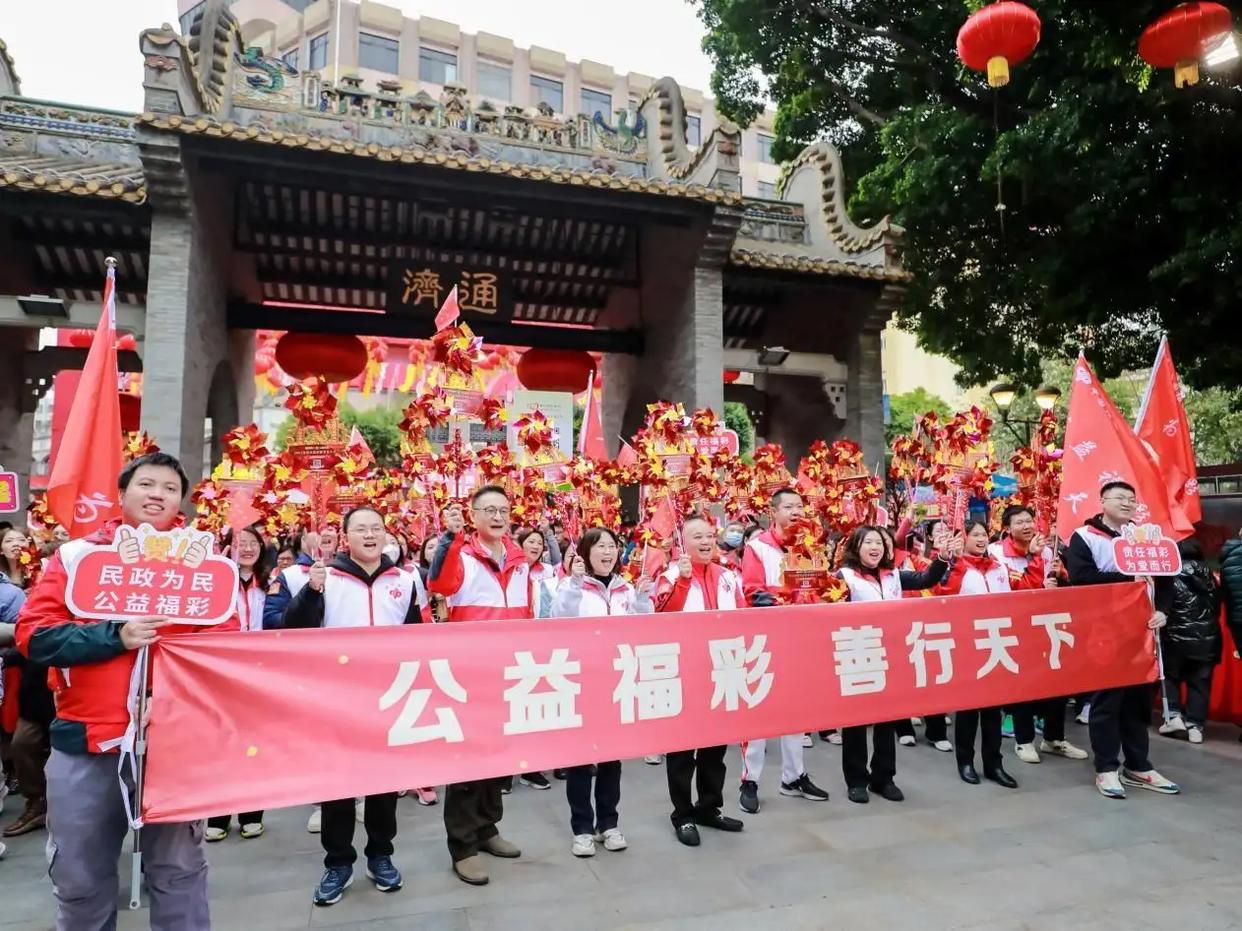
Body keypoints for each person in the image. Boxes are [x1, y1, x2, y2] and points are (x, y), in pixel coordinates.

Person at [16, 452, 213, 929]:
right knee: (79, 874)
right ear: (122, 493)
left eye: (170, 488)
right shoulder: (77, 557)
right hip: (86, 742)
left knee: (180, 873)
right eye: (147, 484)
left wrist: (171, 700)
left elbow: (221, 651)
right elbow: (34, 635)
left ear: (181, 501)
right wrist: (114, 636)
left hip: (171, 746)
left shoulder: (205, 566)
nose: (157, 495)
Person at [284, 506, 427, 907]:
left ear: (385, 535)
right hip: (339, 700)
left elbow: (416, 636)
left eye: (376, 528)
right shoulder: (326, 578)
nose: (370, 535)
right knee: (339, 786)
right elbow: (293, 629)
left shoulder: (403, 580)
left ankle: (381, 856)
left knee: (384, 784)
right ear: (346, 537)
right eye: (361, 529)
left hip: (390, 696)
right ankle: (338, 862)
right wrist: (310, 592)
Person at [428, 486, 529, 886]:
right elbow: (440, 584)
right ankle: (463, 845)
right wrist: (449, 539)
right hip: (470, 673)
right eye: (489, 510)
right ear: (473, 515)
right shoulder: (464, 556)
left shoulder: (519, 560)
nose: (498, 516)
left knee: (497, 756)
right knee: (468, 760)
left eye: (503, 509)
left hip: (510, 672)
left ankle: (487, 827)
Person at [1064, 481, 1180, 799]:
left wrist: (1163, 610)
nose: (1127, 503)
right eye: (1120, 498)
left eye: (1132, 499)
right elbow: (1081, 578)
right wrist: (1128, 576)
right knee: (1107, 700)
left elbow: (1167, 578)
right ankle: (1106, 767)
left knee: (1138, 702)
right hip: (1105, 632)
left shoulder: (1147, 537)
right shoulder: (1085, 537)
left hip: (1144, 632)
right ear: (1102, 501)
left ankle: (1138, 765)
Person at [551, 527, 653, 857]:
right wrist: (575, 584)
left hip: (617, 682)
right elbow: (558, 621)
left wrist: (642, 600)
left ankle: (608, 823)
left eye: (612, 546)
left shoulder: (626, 588)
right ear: (585, 553)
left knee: (612, 758)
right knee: (581, 760)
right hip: (581, 682)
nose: (607, 552)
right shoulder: (571, 586)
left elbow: (643, 629)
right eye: (600, 547)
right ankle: (582, 828)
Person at [837, 524, 951, 804]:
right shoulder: (844, 577)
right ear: (856, 547)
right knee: (855, 722)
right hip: (857, 654)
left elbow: (926, 579)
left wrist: (942, 558)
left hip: (890, 655)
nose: (875, 547)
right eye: (868, 542)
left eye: (879, 542)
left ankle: (884, 778)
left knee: (887, 719)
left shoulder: (894, 576)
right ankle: (856, 780)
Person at [738, 488, 831, 812]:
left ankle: (793, 777)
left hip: (801, 641)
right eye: (789, 506)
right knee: (760, 711)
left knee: (797, 709)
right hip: (765, 641)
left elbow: (821, 588)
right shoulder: (757, 548)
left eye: (800, 506)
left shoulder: (810, 547)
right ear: (773, 512)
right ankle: (750, 780)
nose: (795, 512)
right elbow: (752, 592)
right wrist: (784, 600)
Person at [656, 515, 745, 847]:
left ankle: (709, 807)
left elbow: (744, 616)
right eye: (697, 536)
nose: (706, 541)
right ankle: (682, 815)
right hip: (684, 673)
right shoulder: (669, 576)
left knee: (715, 748)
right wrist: (682, 580)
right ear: (683, 542)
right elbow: (661, 616)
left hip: (721, 671)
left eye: (709, 535)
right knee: (682, 751)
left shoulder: (727, 577)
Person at [990, 505, 1088, 765]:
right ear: (1007, 528)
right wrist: (1034, 561)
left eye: (1029, 521)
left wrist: (1060, 575)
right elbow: (1013, 589)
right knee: (1025, 684)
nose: (1027, 526)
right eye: (1020, 522)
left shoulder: (1047, 551)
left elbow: (1067, 584)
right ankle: (1024, 741)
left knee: (1058, 681)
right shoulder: (996, 553)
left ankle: (1054, 738)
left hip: (1049, 624)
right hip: (1017, 627)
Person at [933, 519, 1022, 790]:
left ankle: (994, 764)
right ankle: (965, 761)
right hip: (968, 645)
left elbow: (1013, 599)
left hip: (996, 643)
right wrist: (950, 564)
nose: (981, 539)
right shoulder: (957, 568)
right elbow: (942, 598)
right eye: (975, 535)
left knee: (993, 709)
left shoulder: (999, 568)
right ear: (964, 538)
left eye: (984, 534)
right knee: (969, 709)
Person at [204, 524, 273, 843]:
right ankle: (218, 814)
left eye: (252, 543)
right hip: (221, 672)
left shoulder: (272, 582)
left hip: (260, 674)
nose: (246, 548)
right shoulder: (214, 581)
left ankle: (252, 813)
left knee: (254, 745)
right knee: (221, 744)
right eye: (239, 543)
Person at [1157, 537, 1221, 745]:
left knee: (1170, 675)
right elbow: (1217, 607)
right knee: (1200, 683)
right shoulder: (1210, 576)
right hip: (1207, 639)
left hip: (1175, 637)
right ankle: (1195, 726)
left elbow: (1164, 605)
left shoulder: (1169, 574)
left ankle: (1174, 716)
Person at [510, 528, 553, 790]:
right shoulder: (512, 569)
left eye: (539, 542)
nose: (536, 546)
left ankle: (531, 767)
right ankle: (505, 771)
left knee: (533, 708)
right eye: (531, 541)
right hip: (513, 644)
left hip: (540, 645)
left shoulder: (547, 572)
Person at [262, 525, 336, 630]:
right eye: (318, 529)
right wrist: (297, 615)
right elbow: (270, 620)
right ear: (304, 540)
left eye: (330, 528)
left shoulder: (350, 575)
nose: (325, 533)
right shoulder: (288, 576)